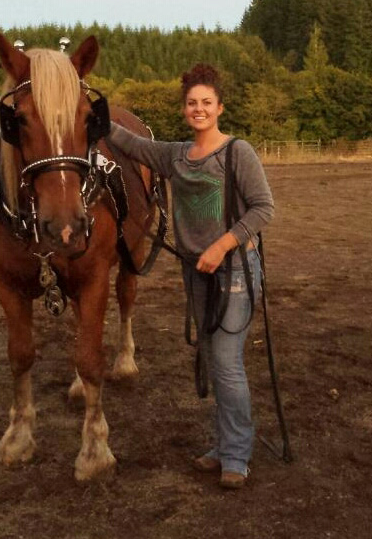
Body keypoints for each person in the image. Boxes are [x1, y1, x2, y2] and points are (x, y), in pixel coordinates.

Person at [109, 63, 274, 489]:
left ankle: (236, 455)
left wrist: (222, 245)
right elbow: (130, 143)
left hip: (234, 269)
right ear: (184, 109)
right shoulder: (175, 155)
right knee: (213, 360)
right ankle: (223, 445)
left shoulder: (239, 153)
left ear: (220, 107)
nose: (198, 109)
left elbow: (263, 209)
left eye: (206, 103)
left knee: (226, 362)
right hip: (196, 272)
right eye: (191, 103)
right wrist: (92, 111)